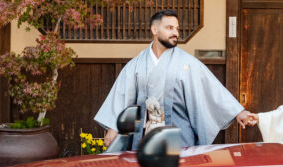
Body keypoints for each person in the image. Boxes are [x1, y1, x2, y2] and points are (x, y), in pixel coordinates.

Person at [94, 10, 257, 149]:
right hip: (143, 138)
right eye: (169, 28)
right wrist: (114, 128)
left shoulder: (187, 63)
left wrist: (237, 112)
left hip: (179, 140)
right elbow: (121, 97)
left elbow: (212, 90)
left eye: (177, 29)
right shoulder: (136, 65)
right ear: (154, 29)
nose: (176, 33)